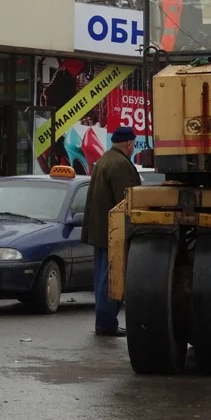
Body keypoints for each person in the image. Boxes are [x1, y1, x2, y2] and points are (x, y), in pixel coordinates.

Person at [82, 126, 141, 337]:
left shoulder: (104, 160)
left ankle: (104, 322)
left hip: (100, 231)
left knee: (102, 277)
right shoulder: (120, 165)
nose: (134, 147)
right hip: (114, 231)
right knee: (112, 279)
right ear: (128, 144)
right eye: (134, 143)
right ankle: (106, 323)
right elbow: (126, 202)